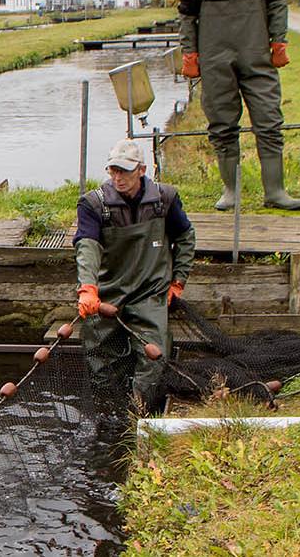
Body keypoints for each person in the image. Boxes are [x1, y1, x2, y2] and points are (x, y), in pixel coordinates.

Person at [178, 0, 300, 210]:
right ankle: (231, 192)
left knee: (269, 121)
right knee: (221, 125)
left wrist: (279, 40)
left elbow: (277, 2)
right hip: (215, 61)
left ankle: (275, 191)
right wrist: (189, 52)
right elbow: (186, 14)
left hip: (257, 56)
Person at [74, 140, 197, 413]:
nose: (118, 178)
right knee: (102, 361)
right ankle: (109, 415)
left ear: (141, 170)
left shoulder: (165, 199)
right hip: (108, 292)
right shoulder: (93, 205)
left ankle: (139, 416)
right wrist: (88, 288)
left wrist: (178, 280)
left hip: (149, 293)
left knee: (154, 358)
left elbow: (185, 236)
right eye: (113, 171)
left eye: (125, 172)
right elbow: (87, 247)